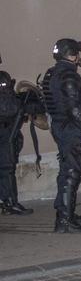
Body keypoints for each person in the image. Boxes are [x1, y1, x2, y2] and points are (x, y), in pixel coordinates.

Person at [41, 38, 81, 231]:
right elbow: (74, 109)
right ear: (72, 54)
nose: (79, 58)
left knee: (66, 169)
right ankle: (64, 220)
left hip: (59, 126)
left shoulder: (51, 73)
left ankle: (65, 210)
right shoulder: (68, 76)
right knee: (71, 172)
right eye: (77, 54)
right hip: (70, 129)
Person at [0, 70, 33, 215]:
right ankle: (10, 202)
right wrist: (22, 104)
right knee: (7, 168)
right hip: (4, 132)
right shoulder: (2, 78)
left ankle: (5, 201)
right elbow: (8, 108)